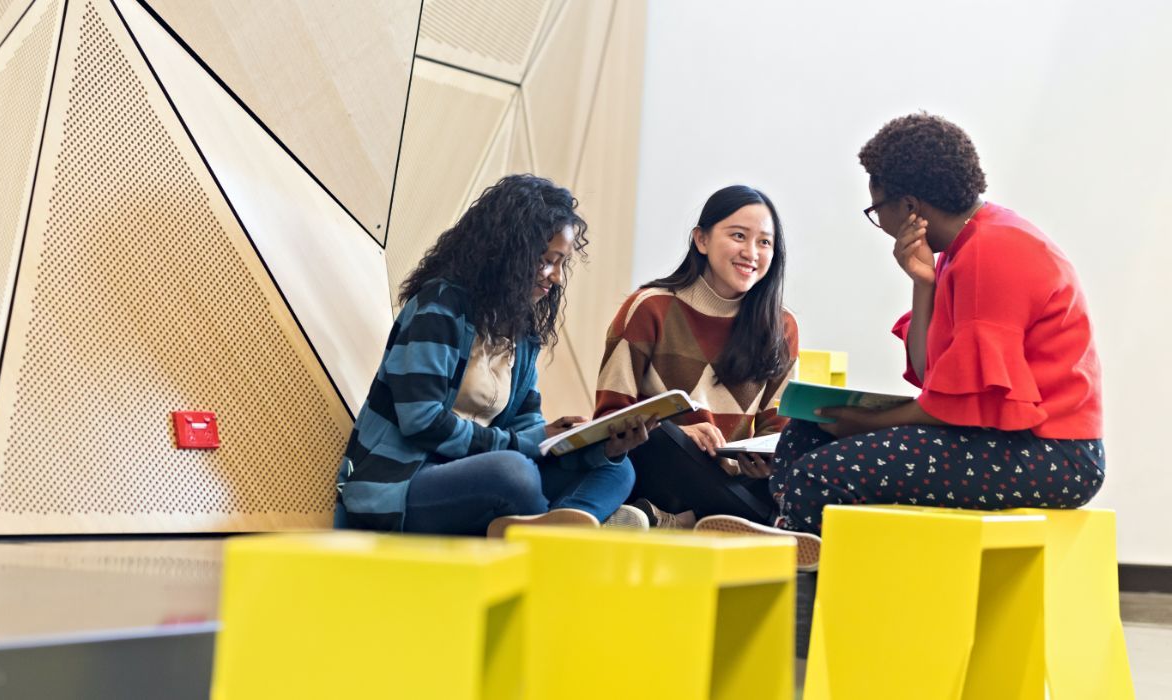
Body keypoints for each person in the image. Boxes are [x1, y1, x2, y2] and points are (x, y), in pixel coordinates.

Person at [713, 113, 1104, 559]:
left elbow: (954, 408)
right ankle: (783, 532)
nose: (881, 223)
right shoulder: (964, 249)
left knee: (820, 476)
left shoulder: (994, 252)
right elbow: (930, 374)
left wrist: (867, 423)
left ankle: (792, 574)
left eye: (878, 210)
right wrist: (924, 284)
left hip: (1055, 456)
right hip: (1007, 437)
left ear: (910, 206)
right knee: (808, 430)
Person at [335, 174, 656, 536]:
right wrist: (523, 444)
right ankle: (564, 532)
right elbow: (421, 421)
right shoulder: (439, 307)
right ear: (510, 253)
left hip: (481, 474)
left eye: (561, 263)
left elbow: (524, 426)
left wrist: (594, 445)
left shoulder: (523, 335)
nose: (557, 278)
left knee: (617, 468)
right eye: (549, 260)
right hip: (404, 481)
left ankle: (554, 532)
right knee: (512, 472)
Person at [595, 185, 803, 536]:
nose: (751, 252)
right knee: (664, 441)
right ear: (701, 240)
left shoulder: (781, 326)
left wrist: (761, 463)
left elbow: (776, 429)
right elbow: (608, 421)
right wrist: (681, 433)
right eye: (738, 236)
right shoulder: (649, 308)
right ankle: (768, 526)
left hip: (734, 477)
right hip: (663, 465)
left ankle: (677, 521)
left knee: (804, 461)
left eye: (764, 242)